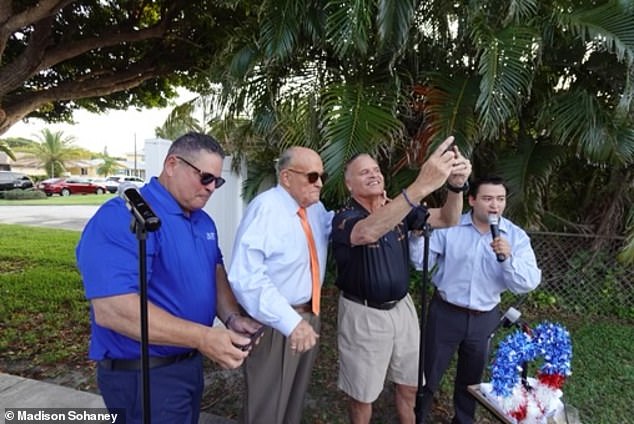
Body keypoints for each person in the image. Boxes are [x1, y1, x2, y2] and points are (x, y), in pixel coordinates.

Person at [76, 132, 261, 424]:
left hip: (188, 364)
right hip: (144, 374)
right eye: (205, 178)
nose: (212, 188)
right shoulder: (125, 217)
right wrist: (203, 337)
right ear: (172, 164)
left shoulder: (202, 220)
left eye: (217, 181)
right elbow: (113, 310)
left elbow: (214, 271)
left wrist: (232, 318)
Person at [331, 136, 472, 424]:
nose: (374, 174)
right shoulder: (344, 217)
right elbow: (366, 233)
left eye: (377, 170)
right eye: (364, 172)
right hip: (365, 315)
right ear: (349, 185)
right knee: (362, 396)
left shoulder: (401, 210)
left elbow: (448, 219)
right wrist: (421, 185)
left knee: (409, 385)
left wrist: (456, 185)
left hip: (403, 310)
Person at [416, 175, 542, 424]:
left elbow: (527, 282)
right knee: (428, 373)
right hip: (445, 312)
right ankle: (415, 417)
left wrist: (508, 258)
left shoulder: (515, 237)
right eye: (487, 198)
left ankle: (463, 421)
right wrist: (417, 236)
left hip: (484, 317)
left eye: (500, 199)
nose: (494, 205)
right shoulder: (450, 227)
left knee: (471, 381)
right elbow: (421, 262)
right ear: (472, 200)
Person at [228, 146, 332, 424]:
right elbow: (246, 277)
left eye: (321, 176)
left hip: (308, 317)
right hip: (277, 323)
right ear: (286, 177)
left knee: (292, 404)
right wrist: (291, 323)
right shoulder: (267, 208)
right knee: (267, 408)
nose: (320, 183)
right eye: (312, 176)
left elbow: (342, 230)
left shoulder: (316, 210)